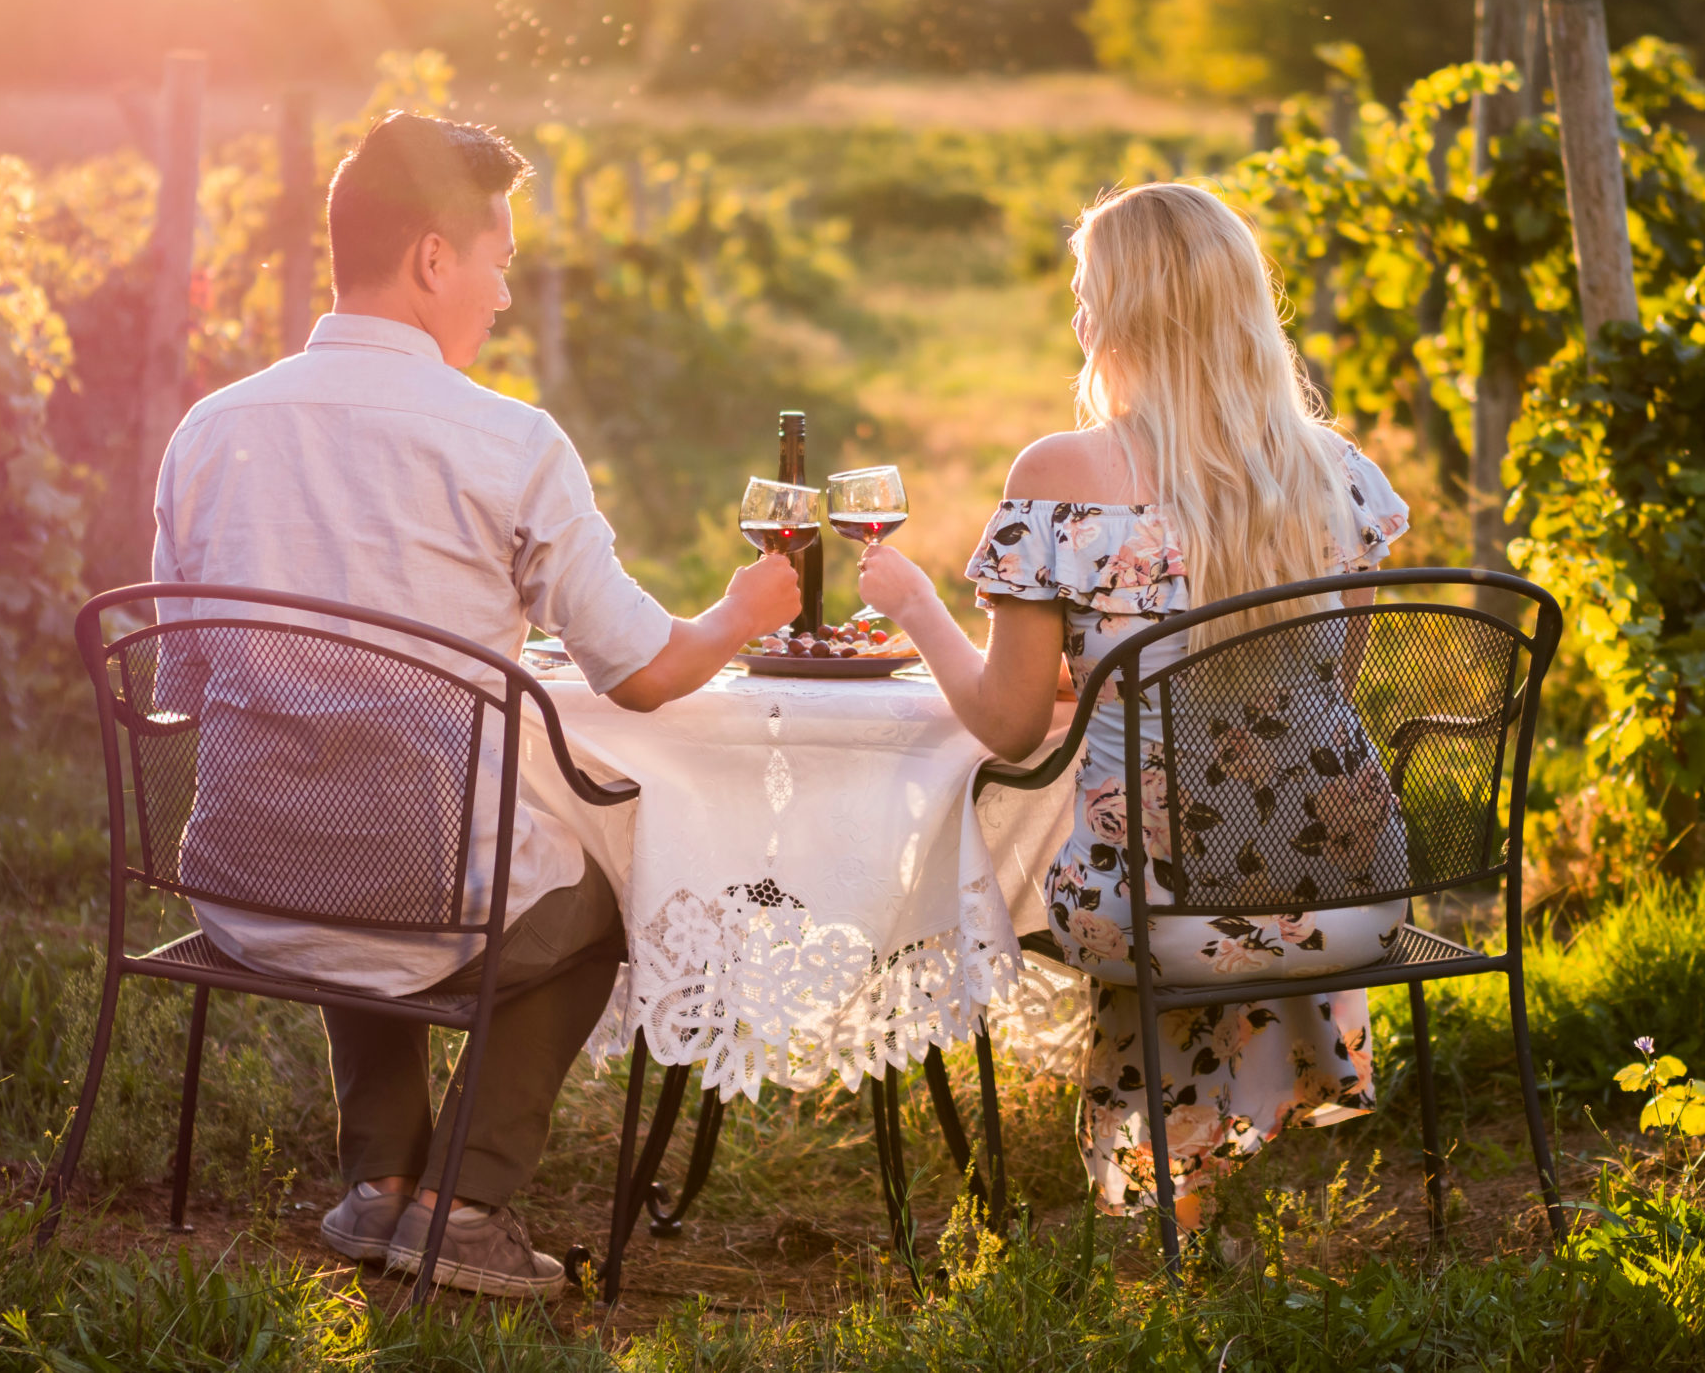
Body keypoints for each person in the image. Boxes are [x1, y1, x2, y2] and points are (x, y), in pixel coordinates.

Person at [149, 112, 801, 1298]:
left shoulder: (210, 427)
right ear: (435, 260)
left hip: (245, 882)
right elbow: (643, 670)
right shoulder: (509, 442)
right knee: (604, 894)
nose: (503, 294)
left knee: (377, 810)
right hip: (415, 899)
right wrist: (744, 611)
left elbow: (184, 682)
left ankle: (380, 1183)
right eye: (499, 262)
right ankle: (463, 1201)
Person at [856, 181, 1412, 1232]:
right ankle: (1196, 1178)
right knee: (1224, 841)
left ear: (1115, 314)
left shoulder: (1064, 474)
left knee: (1140, 861)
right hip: (1355, 893)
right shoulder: (1336, 469)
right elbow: (1315, 686)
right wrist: (1122, 677)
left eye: (1084, 292)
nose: (1076, 316)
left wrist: (916, 604)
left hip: (1157, 912)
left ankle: (1177, 1187)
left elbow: (1011, 725)